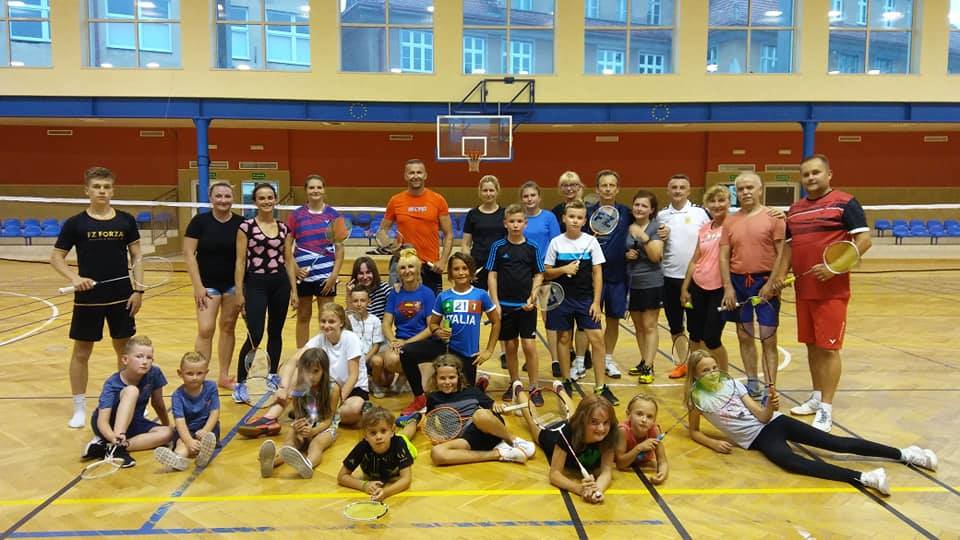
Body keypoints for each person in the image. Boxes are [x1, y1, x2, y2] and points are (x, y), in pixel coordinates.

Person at [684, 351, 937, 496]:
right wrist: (712, 442)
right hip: (758, 439)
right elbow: (693, 431)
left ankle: (906, 454)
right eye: (706, 370)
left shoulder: (732, 384)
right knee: (792, 463)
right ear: (694, 374)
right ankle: (864, 477)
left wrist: (770, 407)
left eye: (714, 367)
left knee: (836, 443)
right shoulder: (696, 400)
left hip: (775, 423)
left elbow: (761, 416)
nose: (713, 373)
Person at [774, 154, 872, 433]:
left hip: (832, 292)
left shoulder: (845, 203)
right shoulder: (795, 210)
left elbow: (864, 241)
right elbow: (790, 247)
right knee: (812, 346)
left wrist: (833, 268)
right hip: (804, 290)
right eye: (806, 174)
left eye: (816, 172)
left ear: (829, 174)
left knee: (829, 349)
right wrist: (780, 274)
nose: (811, 178)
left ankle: (826, 409)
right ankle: (817, 396)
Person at [51, 166, 143, 428]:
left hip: (121, 297)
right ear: (87, 191)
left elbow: (137, 255)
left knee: (125, 352)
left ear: (113, 190)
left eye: (106, 187)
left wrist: (138, 290)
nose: (102, 191)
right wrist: (74, 278)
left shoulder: (126, 220)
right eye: (97, 187)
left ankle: (127, 402)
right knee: (81, 352)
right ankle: (79, 407)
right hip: (88, 298)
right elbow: (56, 257)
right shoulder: (76, 223)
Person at [544, 200, 618, 405]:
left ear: (585, 221)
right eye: (571, 217)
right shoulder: (556, 243)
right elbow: (546, 272)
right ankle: (566, 380)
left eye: (579, 217)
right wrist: (563, 269)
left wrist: (596, 302)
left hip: (586, 299)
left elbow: (597, 273)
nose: (575, 221)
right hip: (561, 299)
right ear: (564, 219)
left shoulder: (591, 242)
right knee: (564, 339)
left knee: (597, 340)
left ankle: (601, 386)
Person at [719, 173, 786, 400]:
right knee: (744, 335)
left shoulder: (774, 217)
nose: (745, 192)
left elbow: (782, 253)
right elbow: (724, 255)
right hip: (739, 283)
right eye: (740, 189)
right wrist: (728, 287)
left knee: (768, 338)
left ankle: (770, 388)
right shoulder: (730, 221)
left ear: (760, 190)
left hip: (765, 282)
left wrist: (772, 283)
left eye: (750, 187)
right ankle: (752, 383)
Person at [233, 183, 299, 404]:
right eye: (262, 198)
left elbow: (288, 260)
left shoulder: (284, 228)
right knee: (256, 333)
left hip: (280, 283)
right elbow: (240, 261)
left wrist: (294, 291)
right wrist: (239, 291)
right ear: (255, 201)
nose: (266, 201)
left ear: (275, 199)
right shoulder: (246, 227)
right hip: (256, 284)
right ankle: (241, 383)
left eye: (270, 197)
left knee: (276, 332)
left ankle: (271, 376)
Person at [183, 180, 243, 391]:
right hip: (207, 285)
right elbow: (189, 254)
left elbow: (245, 258)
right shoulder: (199, 222)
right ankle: (199, 377)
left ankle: (224, 376)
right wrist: (197, 286)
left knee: (228, 327)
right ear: (210, 198)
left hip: (233, 286)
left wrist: (242, 288)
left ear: (233, 198)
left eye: (227, 196)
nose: (223, 200)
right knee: (206, 329)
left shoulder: (242, 224)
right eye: (218, 196)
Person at [422, 356, 534, 466]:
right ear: (435, 378)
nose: (447, 382)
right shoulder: (433, 398)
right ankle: (500, 453)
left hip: (488, 430)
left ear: (459, 377)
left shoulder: (472, 391)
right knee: (437, 453)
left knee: (480, 414)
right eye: (442, 378)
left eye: (452, 377)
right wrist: (436, 435)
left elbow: (498, 409)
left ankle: (513, 441)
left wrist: (502, 407)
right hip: (466, 439)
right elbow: (429, 421)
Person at [515, 384, 617, 504]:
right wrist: (579, 489)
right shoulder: (568, 433)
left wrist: (597, 490)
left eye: (605, 422)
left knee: (572, 413)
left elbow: (606, 471)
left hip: (573, 424)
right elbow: (554, 474)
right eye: (594, 422)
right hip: (551, 436)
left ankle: (559, 388)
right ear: (583, 421)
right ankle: (518, 389)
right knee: (532, 420)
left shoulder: (610, 432)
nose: (601, 428)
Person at [81, 336, 174, 468]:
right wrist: (112, 436)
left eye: (149, 358)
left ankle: (112, 448)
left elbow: (158, 404)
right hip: (109, 425)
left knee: (167, 433)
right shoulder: (112, 383)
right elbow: (102, 421)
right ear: (125, 359)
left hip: (134, 422)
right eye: (139, 356)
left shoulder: (154, 373)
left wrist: (168, 427)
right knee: (132, 390)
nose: (144, 362)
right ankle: (117, 442)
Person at [654, 174, 711, 380]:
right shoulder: (661, 216)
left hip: (696, 279)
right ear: (668, 191)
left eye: (682, 187)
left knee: (696, 327)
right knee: (675, 325)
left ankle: (698, 365)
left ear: (688, 191)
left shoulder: (700, 213)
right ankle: (682, 363)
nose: (678, 191)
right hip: (669, 278)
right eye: (674, 187)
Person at [486, 204, 545, 405]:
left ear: (525, 224)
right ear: (505, 223)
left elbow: (539, 274)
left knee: (529, 346)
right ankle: (515, 383)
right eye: (512, 221)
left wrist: (533, 297)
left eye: (519, 221)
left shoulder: (532, 247)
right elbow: (492, 275)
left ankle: (534, 386)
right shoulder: (498, 247)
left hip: (527, 307)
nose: (515, 225)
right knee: (510, 347)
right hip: (505, 306)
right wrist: (495, 303)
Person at [258, 348, 341, 479]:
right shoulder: (299, 387)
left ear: (324, 371)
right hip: (306, 423)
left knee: (316, 444)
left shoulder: (333, 389)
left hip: (325, 427)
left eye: (316, 371)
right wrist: (298, 427)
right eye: (307, 371)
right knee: (289, 443)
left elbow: (328, 420)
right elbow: (298, 414)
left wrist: (313, 432)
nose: (311, 376)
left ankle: (308, 464)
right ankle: (271, 463)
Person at [376, 159, 454, 295]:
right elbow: (382, 232)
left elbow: (449, 234)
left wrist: (443, 261)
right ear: (405, 176)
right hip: (403, 265)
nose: (415, 176)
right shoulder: (395, 201)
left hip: (430, 266)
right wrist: (393, 248)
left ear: (425, 175)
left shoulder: (438, 200)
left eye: (419, 172)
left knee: (431, 307)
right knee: (400, 305)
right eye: (411, 173)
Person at [287, 174, 346, 347]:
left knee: (327, 317)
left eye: (319, 187)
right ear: (306, 190)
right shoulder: (296, 215)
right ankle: (302, 353)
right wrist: (295, 268)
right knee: (303, 316)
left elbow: (340, 249)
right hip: (303, 276)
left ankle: (326, 354)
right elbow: (287, 247)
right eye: (311, 187)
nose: (315, 191)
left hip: (326, 276)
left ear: (324, 190)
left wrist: (334, 276)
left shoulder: (334, 215)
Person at [679, 185, 732, 374]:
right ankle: (698, 376)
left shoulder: (734, 225)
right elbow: (695, 259)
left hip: (719, 289)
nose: (717, 205)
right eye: (712, 201)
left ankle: (724, 377)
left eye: (721, 200)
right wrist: (685, 288)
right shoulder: (704, 229)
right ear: (707, 205)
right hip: (697, 287)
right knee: (695, 335)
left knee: (711, 338)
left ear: (729, 202)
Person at [382, 248, 442, 415]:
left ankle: (414, 373)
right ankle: (406, 374)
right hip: (402, 343)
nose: (407, 271)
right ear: (398, 272)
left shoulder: (427, 293)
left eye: (411, 267)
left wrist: (406, 343)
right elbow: (386, 323)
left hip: (422, 344)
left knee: (424, 389)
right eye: (403, 268)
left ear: (418, 269)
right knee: (390, 359)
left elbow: (431, 327)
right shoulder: (395, 293)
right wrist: (393, 340)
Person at [428, 253, 501, 388]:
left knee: (467, 392)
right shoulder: (443, 296)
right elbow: (433, 324)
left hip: (470, 355)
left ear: (471, 271)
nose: (461, 273)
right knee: (449, 389)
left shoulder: (480, 295)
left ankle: (479, 385)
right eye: (456, 269)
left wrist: (489, 350)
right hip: (449, 352)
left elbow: (496, 322)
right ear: (450, 272)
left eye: (465, 268)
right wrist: (437, 330)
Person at [587, 170, 632, 380]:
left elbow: (644, 225)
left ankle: (608, 358)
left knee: (613, 319)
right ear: (597, 189)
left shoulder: (626, 213)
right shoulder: (588, 213)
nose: (607, 189)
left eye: (611, 185)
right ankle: (582, 359)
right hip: (591, 276)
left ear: (617, 189)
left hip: (617, 276)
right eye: (603, 185)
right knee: (589, 320)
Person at [301, 303, 369, 427]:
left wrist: (338, 401)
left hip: (352, 390)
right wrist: (285, 380)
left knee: (353, 409)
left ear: (341, 323)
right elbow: (298, 357)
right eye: (323, 321)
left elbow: (353, 376)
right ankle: (325, 415)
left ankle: (319, 415)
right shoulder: (319, 339)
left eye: (331, 321)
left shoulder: (351, 339)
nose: (326, 325)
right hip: (329, 390)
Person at [551, 171, 592, 376]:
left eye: (573, 184)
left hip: (585, 274)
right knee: (564, 326)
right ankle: (565, 357)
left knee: (584, 321)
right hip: (562, 273)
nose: (569, 188)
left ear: (580, 186)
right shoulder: (555, 212)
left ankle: (583, 356)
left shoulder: (591, 210)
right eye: (565, 185)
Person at [519, 180, 561, 377]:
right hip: (523, 275)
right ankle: (530, 358)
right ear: (522, 199)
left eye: (532, 195)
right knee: (527, 318)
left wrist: (547, 269)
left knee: (548, 318)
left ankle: (555, 359)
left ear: (539, 197)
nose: (529, 199)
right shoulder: (519, 219)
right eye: (526, 196)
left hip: (544, 274)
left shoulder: (549, 217)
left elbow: (556, 244)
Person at [153, 352, 220, 472]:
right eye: (190, 373)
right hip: (186, 429)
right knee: (181, 443)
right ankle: (178, 459)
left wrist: (205, 430)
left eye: (199, 373)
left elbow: (215, 412)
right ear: (180, 373)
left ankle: (202, 455)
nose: (195, 377)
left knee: (205, 440)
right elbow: (180, 421)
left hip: (207, 427)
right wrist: (188, 441)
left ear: (206, 373)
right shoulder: (177, 396)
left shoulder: (211, 387)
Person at [624, 190, 665, 384]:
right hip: (632, 282)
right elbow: (624, 250)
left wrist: (643, 237)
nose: (639, 208)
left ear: (652, 210)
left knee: (649, 326)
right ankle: (643, 361)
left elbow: (656, 256)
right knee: (639, 326)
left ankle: (649, 365)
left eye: (644, 206)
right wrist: (627, 255)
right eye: (637, 205)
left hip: (651, 282)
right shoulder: (627, 226)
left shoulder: (656, 227)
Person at [338, 406, 417, 502]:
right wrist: (364, 485)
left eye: (383, 431)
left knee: (405, 435)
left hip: (402, 443)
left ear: (392, 431)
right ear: (365, 435)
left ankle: (413, 419)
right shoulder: (362, 447)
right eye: (373, 433)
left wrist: (386, 492)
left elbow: (406, 479)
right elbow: (342, 476)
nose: (379, 437)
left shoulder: (399, 444)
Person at [462, 175, 505, 291]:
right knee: (478, 299)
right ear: (480, 192)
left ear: (497, 191)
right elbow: (466, 244)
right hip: (478, 264)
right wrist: (469, 266)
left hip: (500, 264)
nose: (488, 194)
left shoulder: (505, 214)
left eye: (491, 190)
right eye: (485, 190)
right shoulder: (472, 214)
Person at [347, 286, 389, 398]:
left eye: (363, 300)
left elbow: (376, 345)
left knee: (378, 361)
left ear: (369, 302)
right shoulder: (348, 320)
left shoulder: (375, 320)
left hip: (369, 357)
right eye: (355, 301)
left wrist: (365, 359)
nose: (359, 304)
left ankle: (375, 383)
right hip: (353, 357)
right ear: (351, 302)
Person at [615, 394, 668, 484]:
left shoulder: (654, 431)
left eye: (649, 416)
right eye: (639, 414)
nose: (644, 420)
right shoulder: (623, 431)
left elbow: (663, 461)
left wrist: (662, 474)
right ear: (628, 414)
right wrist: (639, 448)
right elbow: (620, 464)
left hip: (643, 466)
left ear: (654, 420)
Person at [347, 256, 393, 321]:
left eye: (368, 272)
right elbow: (349, 320)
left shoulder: (385, 289)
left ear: (374, 273)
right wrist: (349, 295)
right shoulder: (354, 291)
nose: (365, 277)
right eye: (361, 273)